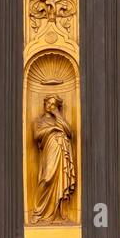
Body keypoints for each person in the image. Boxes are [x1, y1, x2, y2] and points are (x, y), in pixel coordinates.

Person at [31, 95, 77, 223]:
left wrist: (58, 115)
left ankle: (58, 213)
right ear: (44, 103)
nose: (50, 106)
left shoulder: (59, 119)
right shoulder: (38, 121)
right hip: (49, 149)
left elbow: (69, 132)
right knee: (47, 178)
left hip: (62, 151)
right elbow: (36, 135)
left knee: (61, 180)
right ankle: (38, 211)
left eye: (53, 105)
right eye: (48, 103)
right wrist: (53, 128)